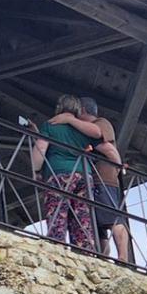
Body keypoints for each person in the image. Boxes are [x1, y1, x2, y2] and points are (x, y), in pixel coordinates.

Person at [30, 95, 100, 251]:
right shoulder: (83, 128)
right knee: (82, 215)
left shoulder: (51, 125)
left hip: (59, 174)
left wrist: (36, 170)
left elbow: (41, 148)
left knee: (58, 212)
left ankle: (57, 246)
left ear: (59, 107)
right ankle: (85, 250)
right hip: (84, 175)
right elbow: (97, 133)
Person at [75, 96, 130, 262]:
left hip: (104, 178)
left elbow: (107, 147)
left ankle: (123, 257)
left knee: (113, 218)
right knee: (99, 225)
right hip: (96, 178)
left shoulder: (101, 123)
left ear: (82, 110)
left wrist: (117, 168)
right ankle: (103, 258)